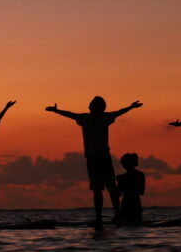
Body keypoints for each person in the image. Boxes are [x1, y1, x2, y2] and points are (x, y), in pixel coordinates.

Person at [46, 97, 142, 227]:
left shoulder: (93, 118)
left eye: (92, 106)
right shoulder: (91, 118)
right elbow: (71, 115)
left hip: (99, 158)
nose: (90, 108)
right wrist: (56, 111)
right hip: (96, 159)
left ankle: (108, 217)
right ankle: (106, 217)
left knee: (106, 189)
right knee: (103, 189)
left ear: (94, 107)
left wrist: (131, 107)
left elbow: (71, 115)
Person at [115, 152, 145, 224]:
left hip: (126, 204)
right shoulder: (140, 175)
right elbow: (141, 192)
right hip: (136, 204)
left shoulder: (121, 178)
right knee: (137, 223)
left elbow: (118, 194)